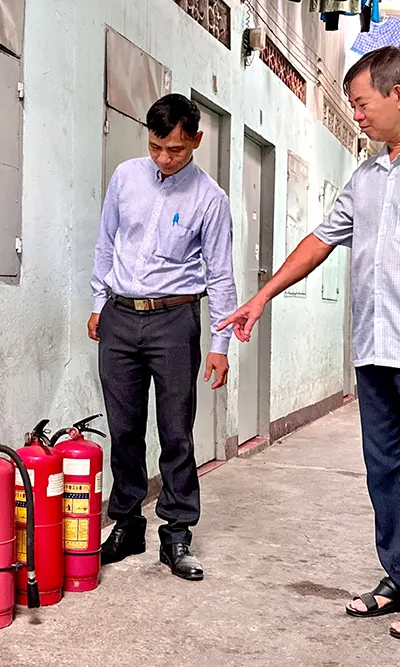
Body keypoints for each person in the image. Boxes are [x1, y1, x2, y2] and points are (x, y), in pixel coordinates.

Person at [218, 46, 400, 642]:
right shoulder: (368, 176)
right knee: (387, 472)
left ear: (398, 94)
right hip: (374, 350)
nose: (357, 115)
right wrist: (262, 295)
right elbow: (321, 240)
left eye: (361, 103)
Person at [88, 93, 237, 581]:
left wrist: (220, 346)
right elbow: (106, 241)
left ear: (195, 140)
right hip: (120, 317)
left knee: (176, 431)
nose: (164, 159)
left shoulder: (210, 200)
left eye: (174, 149)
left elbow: (221, 276)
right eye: (155, 147)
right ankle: (127, 524)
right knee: (124, 428)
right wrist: (97, 304)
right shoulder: (126, 177)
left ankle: (176, 535)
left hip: (175, 322)